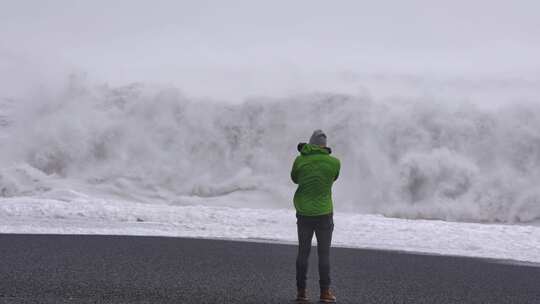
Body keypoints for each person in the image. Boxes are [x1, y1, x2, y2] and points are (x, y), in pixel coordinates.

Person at [291, 129, 340, 303]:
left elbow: (294, 179)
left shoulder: (299, 160)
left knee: (303, 253)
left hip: (304, 213)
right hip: (324, 213)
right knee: (324, 254)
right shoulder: (334, 163)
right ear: (325, 146)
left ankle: (301, 292)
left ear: (310, 144)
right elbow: (333, 179)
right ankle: (325, 292)